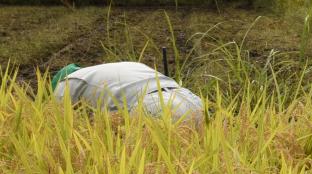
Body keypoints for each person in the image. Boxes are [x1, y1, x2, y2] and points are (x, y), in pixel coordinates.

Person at [50, 62, 205, 128]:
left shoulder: (66, 84)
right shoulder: (113, 69)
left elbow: (64, 126)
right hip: (191, 99)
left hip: (157, 108)